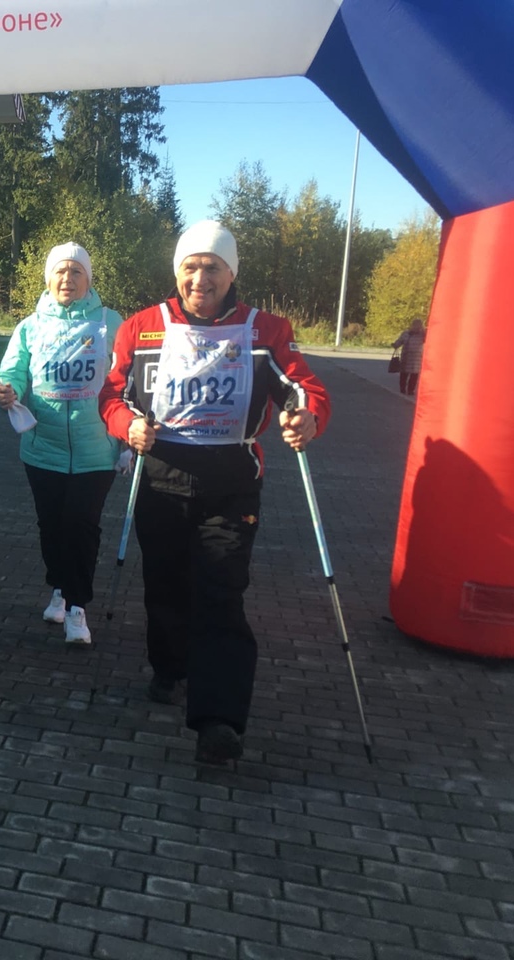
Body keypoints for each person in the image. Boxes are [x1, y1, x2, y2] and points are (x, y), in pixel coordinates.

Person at [98, 220, 332, 764]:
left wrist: (306, 417)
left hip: (231, 484)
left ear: (231, 274)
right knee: (166, 587)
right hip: (162, 478)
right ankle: (169, 665)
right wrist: (127, 427)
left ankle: (219, 720)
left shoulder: (263, 329)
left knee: (221, 592)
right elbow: (112, 395)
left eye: (213, 268)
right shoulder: (142, 327)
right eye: (191, 267)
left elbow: (303, 388)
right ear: (177, 271)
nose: (200, 279)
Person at [0, 242, 125, 645]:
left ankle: (77, 607)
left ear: (89, 279)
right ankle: (60, 588)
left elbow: (129, 377)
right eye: (60, 272)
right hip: (43, 449)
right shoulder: (30, 326)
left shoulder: (110, 322)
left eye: (76, 272)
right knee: (51, 526)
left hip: (96, 449)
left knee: (81, 525)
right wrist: (6, 389)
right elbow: (13, 370)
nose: (68, 279)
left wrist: (128, 435)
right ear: (48, 278)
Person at [392, 318, 426, 396]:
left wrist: (396, 345)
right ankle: (404, 389)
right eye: (415, 325)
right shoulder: (406, 333)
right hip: (407, 357)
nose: (416, 327)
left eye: (418, 325)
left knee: (413, 375)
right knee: (405, 374)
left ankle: (409, 390)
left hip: (415, 358)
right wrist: (395, 345)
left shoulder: (422, 334)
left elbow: (428, 336)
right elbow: (399, 341)